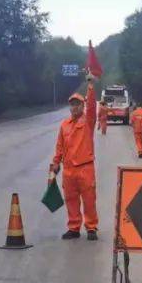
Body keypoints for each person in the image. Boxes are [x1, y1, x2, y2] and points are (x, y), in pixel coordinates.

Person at [50, 77, 99, 241]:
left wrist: (91, 87)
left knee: (89, 199)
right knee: (71, 199)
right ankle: (74, 228)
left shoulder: (88, 121)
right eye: (72, 104)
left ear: (82, 105)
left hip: (85, 167)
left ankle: (91, 228)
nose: (74, 106)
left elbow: (92, 107)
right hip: (69, 169)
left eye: (77, 103)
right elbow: (59, 146)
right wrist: (56, 162)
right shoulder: (64, 125)